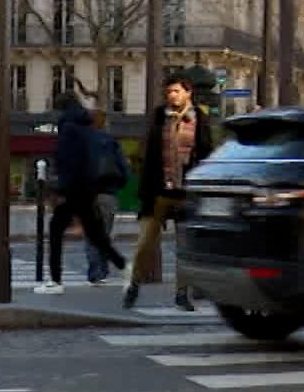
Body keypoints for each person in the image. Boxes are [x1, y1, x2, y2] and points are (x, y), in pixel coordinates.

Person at [125, 73, 214, 311]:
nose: (172, 96)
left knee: (184, 247)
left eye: (176, 91)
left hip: (186, 193)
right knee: (144, 243)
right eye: (169, 92)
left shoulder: (200, 120)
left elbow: (205, 153)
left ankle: (181, 294)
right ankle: (132, 285)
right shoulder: (158, 117)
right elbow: (148, 154)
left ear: (188, 92)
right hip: (158, 191)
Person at [36, 96, 127, 294]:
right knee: (99, 234)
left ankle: (71, 278)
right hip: (104, 191)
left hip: (78, 190)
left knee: (69, 234)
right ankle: (118, 266)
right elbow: (122, 167)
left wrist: (60, 190)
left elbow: (66, 163)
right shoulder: (106, 139)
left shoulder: (71, 131)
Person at [85, 109, 128, 286]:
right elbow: (123, 167)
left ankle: (95, 272)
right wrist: (119, 184)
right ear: (104, 123)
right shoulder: (111, 142)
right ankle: (102, 271)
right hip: (108, 193)